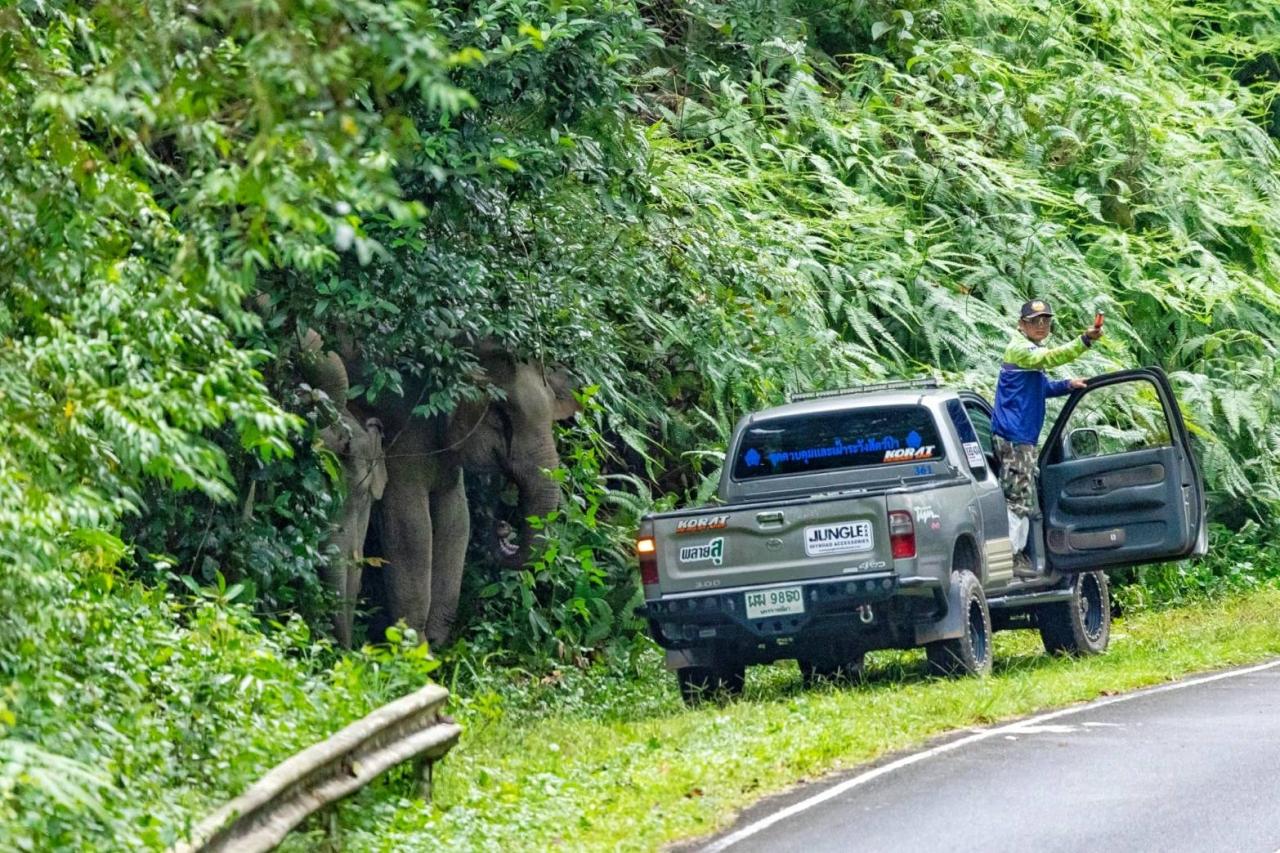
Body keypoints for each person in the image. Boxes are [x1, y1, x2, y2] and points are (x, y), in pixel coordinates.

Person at [992, 299, 1103, 577]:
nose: (1041, 325)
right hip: (1015, 437)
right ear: (1021, 324)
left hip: (1021, 436)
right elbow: (1051, 357)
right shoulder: (1021, 349)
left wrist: (1067, 385)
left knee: (1022, 493)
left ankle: (1018, 555)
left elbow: (1039, 388)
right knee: (1016, 496)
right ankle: (1011, 558)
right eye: (1034, 321)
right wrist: (1085, 340)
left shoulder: (1029, 353)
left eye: (1046, 320)